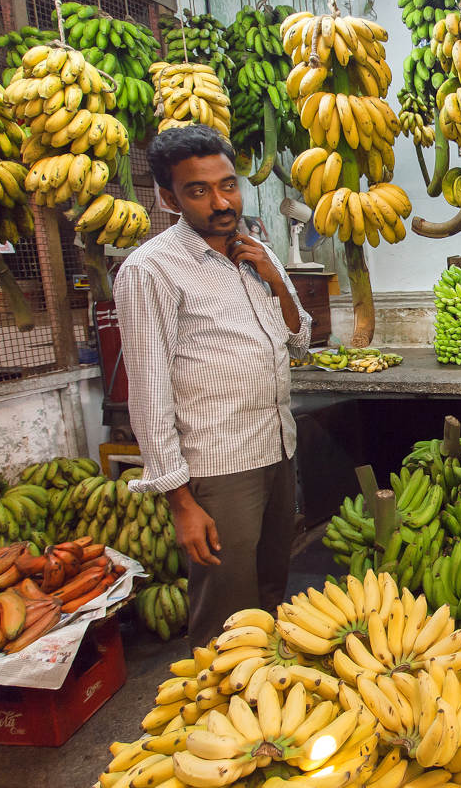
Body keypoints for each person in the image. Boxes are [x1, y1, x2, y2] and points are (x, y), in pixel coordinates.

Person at [115, 125, 312, 648]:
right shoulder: (151, 270)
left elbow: (300, 341)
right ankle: (211, 714)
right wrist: (180, 501)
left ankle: (267, 703)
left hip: (275, 448)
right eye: (199, 190)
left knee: (271, 593)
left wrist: (274, 277)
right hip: (217, 467)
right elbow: (150, 392)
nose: (221, 201)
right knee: (226, 608)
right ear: (168, 197)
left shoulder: (253, 251)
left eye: (228, 184)